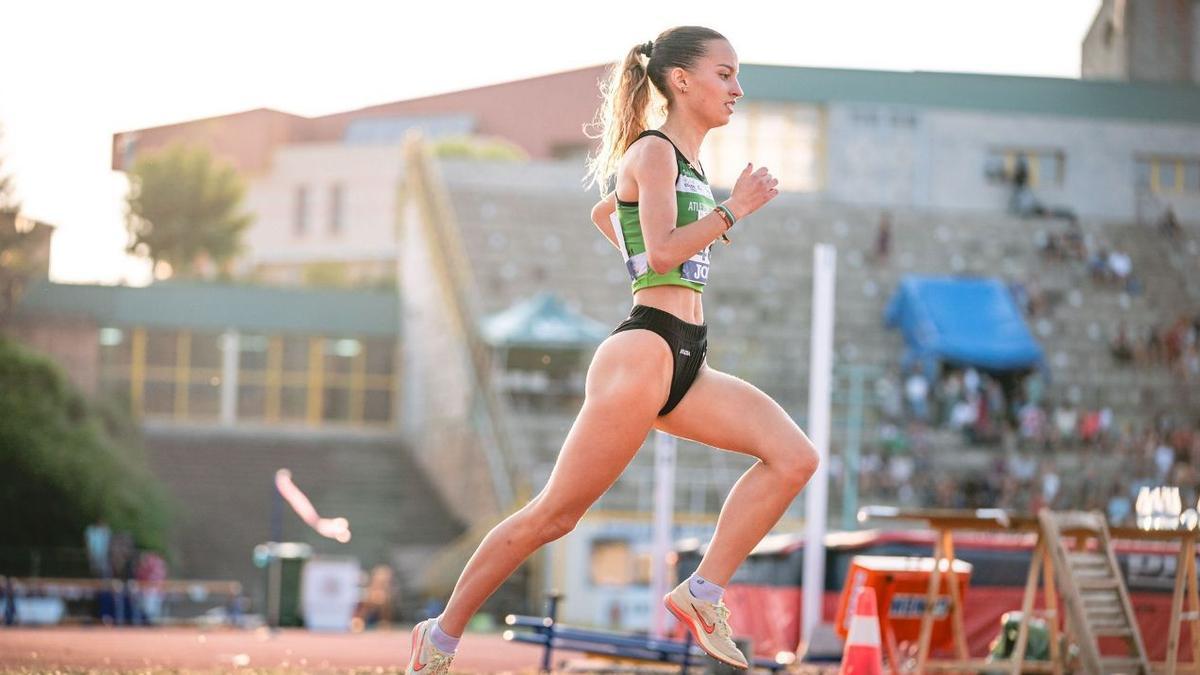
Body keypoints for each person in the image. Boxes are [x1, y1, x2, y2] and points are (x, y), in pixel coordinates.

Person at [404, 26, 816, 675]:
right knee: (554, 515)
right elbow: (663, 253)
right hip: (644, 351)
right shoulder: (654, 152)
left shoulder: (685, 162)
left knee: (794, 457)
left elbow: (609, 215)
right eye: (725, 74)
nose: (737, 88)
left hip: (689, 358)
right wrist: (734, 209)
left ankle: (703, 591)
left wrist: (660, 236)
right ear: (682, 80)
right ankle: (440, 636)